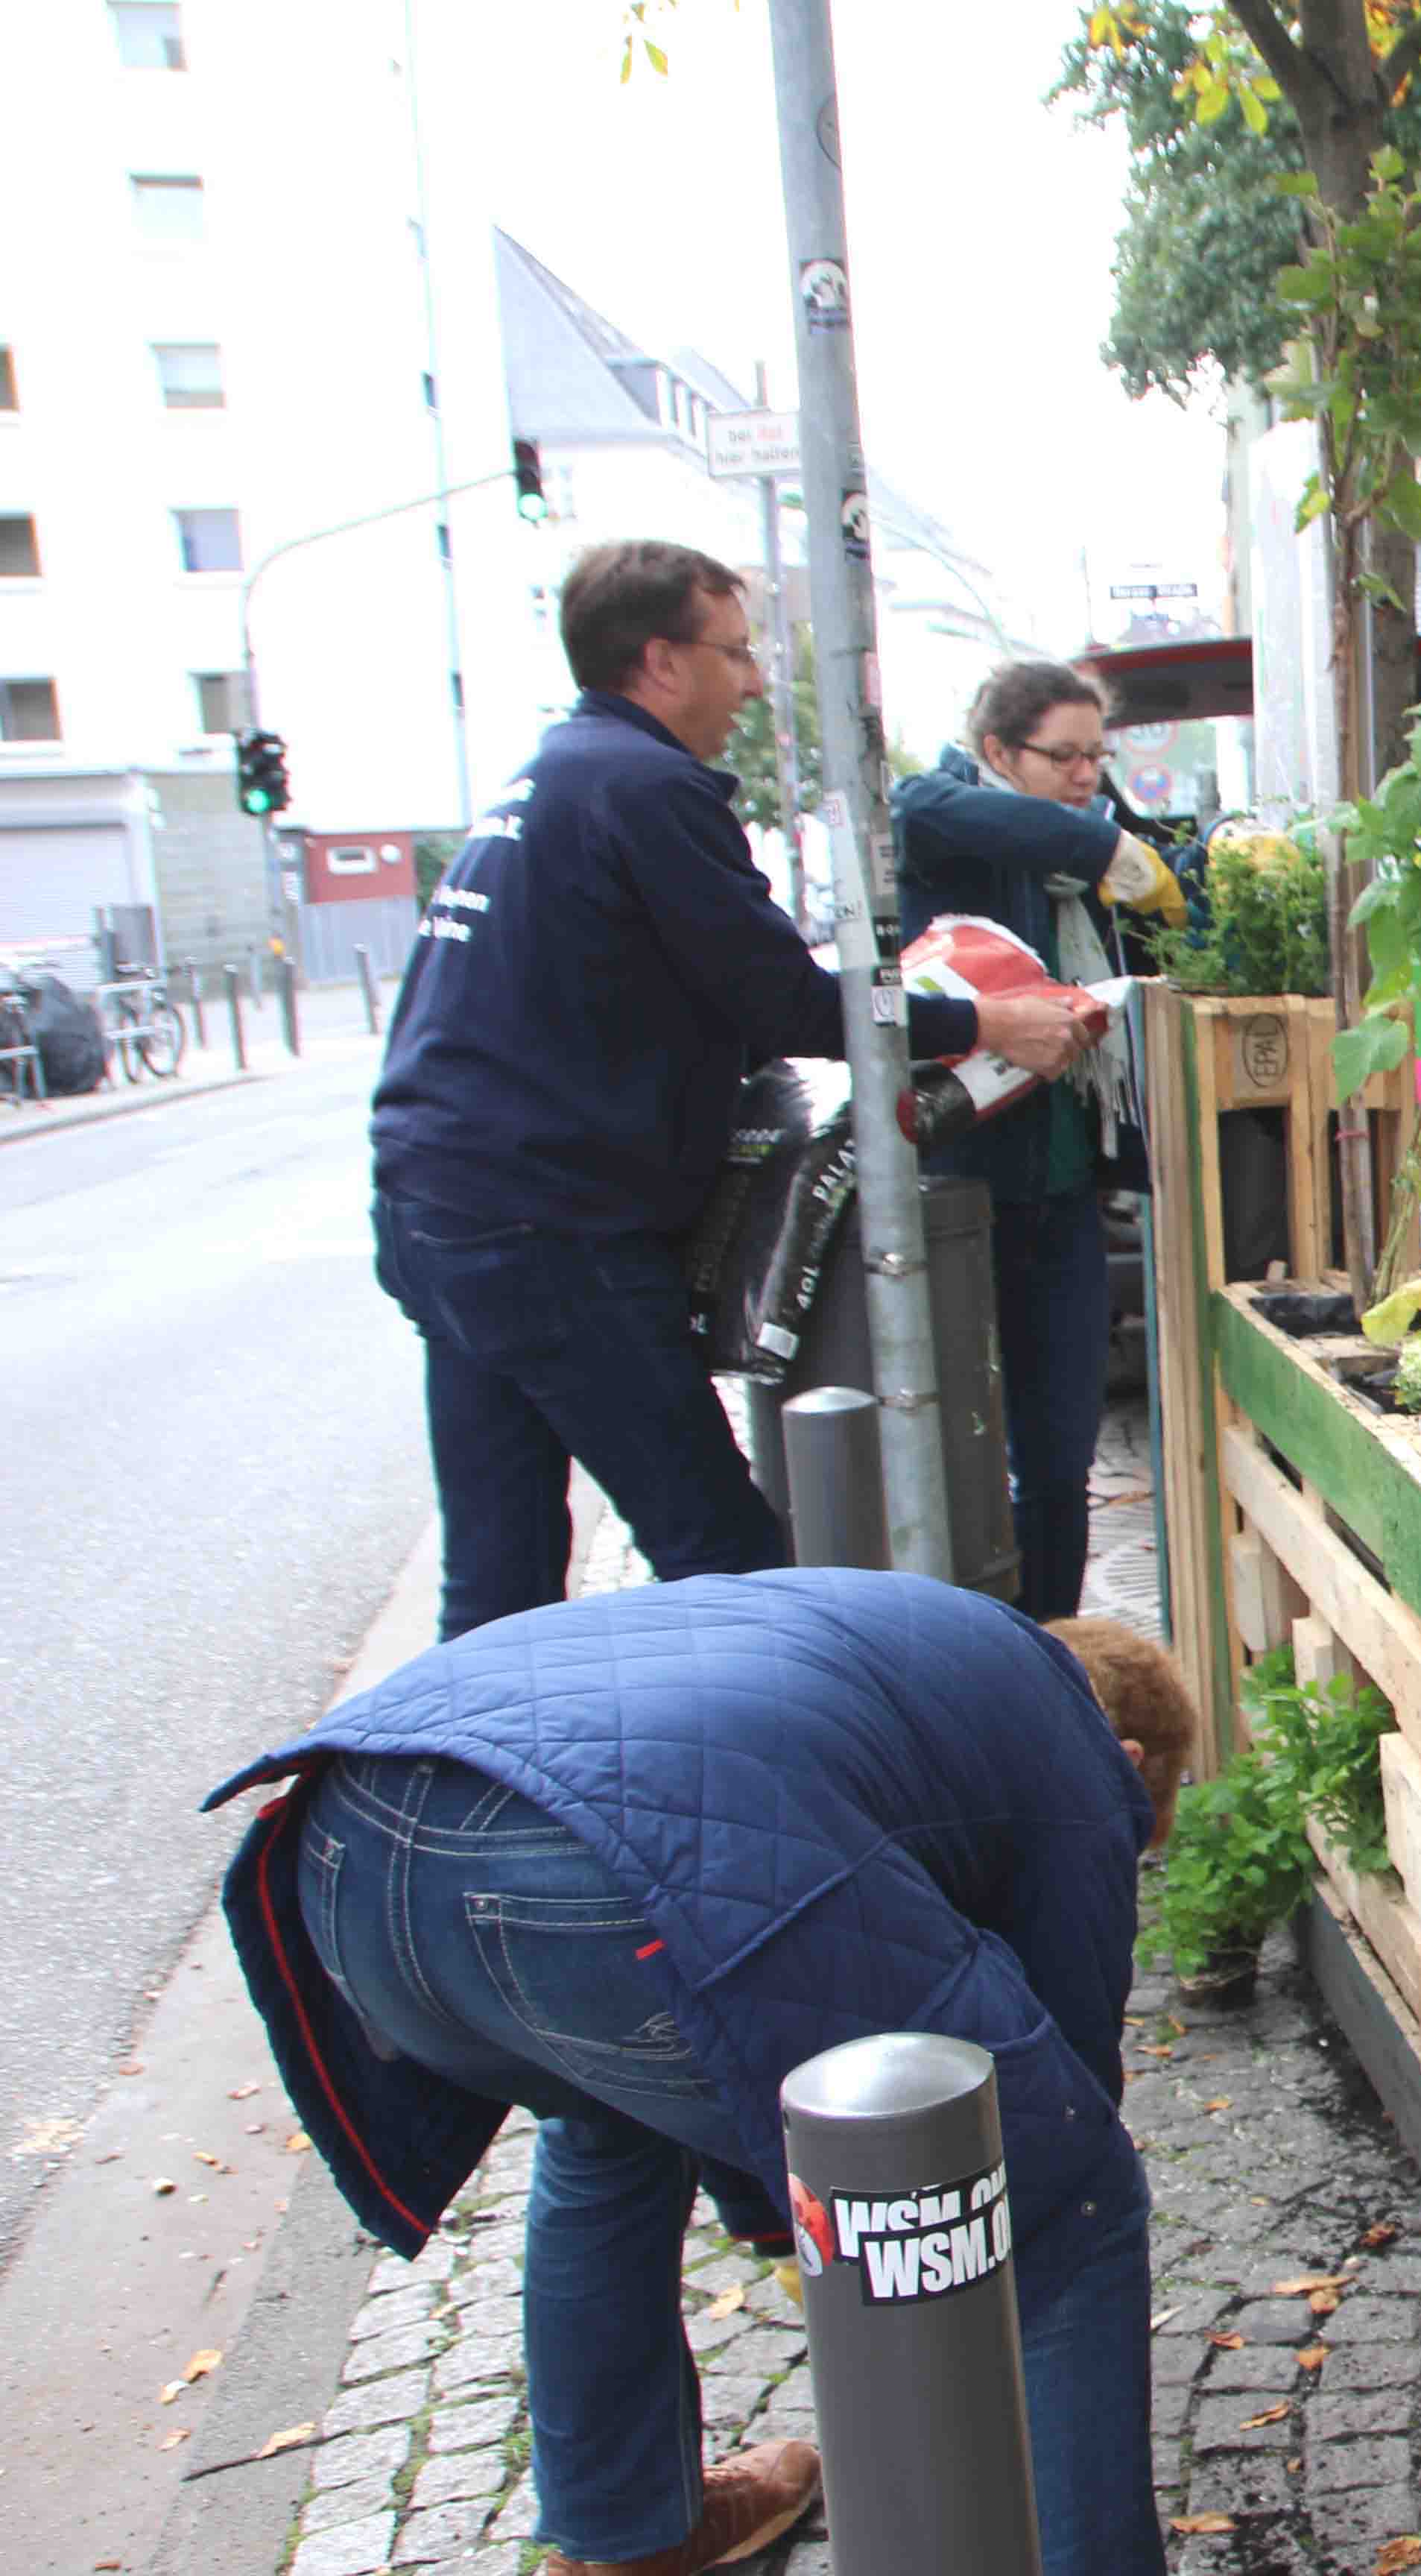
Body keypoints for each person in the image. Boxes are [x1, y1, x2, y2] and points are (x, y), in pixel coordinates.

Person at [204, 1573, 1193, 2576]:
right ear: (1129, 1764)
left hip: (347, 1849)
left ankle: (626, 2534)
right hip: (589, 1880)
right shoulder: (1072, 1749)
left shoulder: (908, 1647)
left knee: (606, 2122)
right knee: (1069, 2201)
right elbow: (1063, 2065)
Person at [370, 541, 1094, 1640]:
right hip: (545, 1228)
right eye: (737, 652)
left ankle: (450, 1800)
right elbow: (787, 1004)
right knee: (731, 1560)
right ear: (660, 662)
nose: (754, 680)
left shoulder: (552, 773)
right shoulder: (646, 785)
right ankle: (800, 1789)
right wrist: (988, 1022)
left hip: (440, 1208)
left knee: (500, 1573)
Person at [895, 661, 1188, 1618]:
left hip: (1063, 1198)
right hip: (961, 1191)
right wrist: (1103, 846)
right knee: (963, 1453)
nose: (1085, 778)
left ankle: (1057, 1646)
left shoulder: (1085, 868)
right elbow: (948, 813)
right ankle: (969, 1654)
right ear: (996, 752)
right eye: (1063, 756)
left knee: (1060, 1455)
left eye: (1098, 758)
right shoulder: (945, 819)